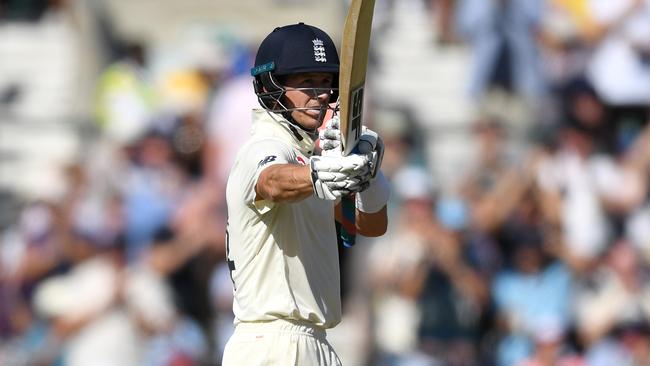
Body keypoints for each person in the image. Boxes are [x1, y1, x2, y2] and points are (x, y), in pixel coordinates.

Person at [221, 23, 390, 366]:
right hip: (272, 343)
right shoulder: (264, 147)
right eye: (305, 82)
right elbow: (271, 182)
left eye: (326, 83)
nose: (321, 94)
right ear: (272, 86)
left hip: (315, 342)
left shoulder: (310, 156)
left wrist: (368, 177)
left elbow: (370, 225)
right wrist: (318, 173)